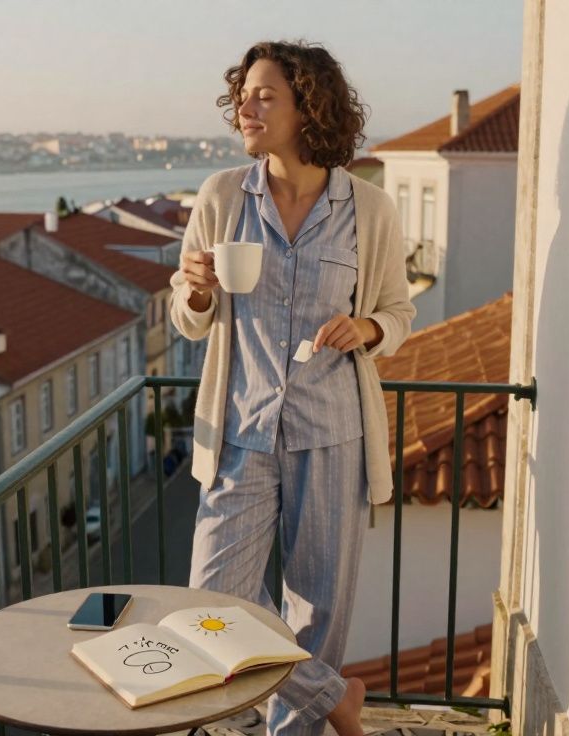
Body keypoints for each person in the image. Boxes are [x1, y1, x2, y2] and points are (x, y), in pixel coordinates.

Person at [169, 40, 415, 736]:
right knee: (209, 603)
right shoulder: (222, 197)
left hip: (333, 433)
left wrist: (366, 329)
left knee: (319, 613)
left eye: (265, 94)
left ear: (310, 105)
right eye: (242, 94)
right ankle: (334, 697)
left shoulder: (367, 209)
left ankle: (296, 726)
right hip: (241, 434)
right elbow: (188, 321)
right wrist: (193, 292)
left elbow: (398, 313)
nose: (245, 105)